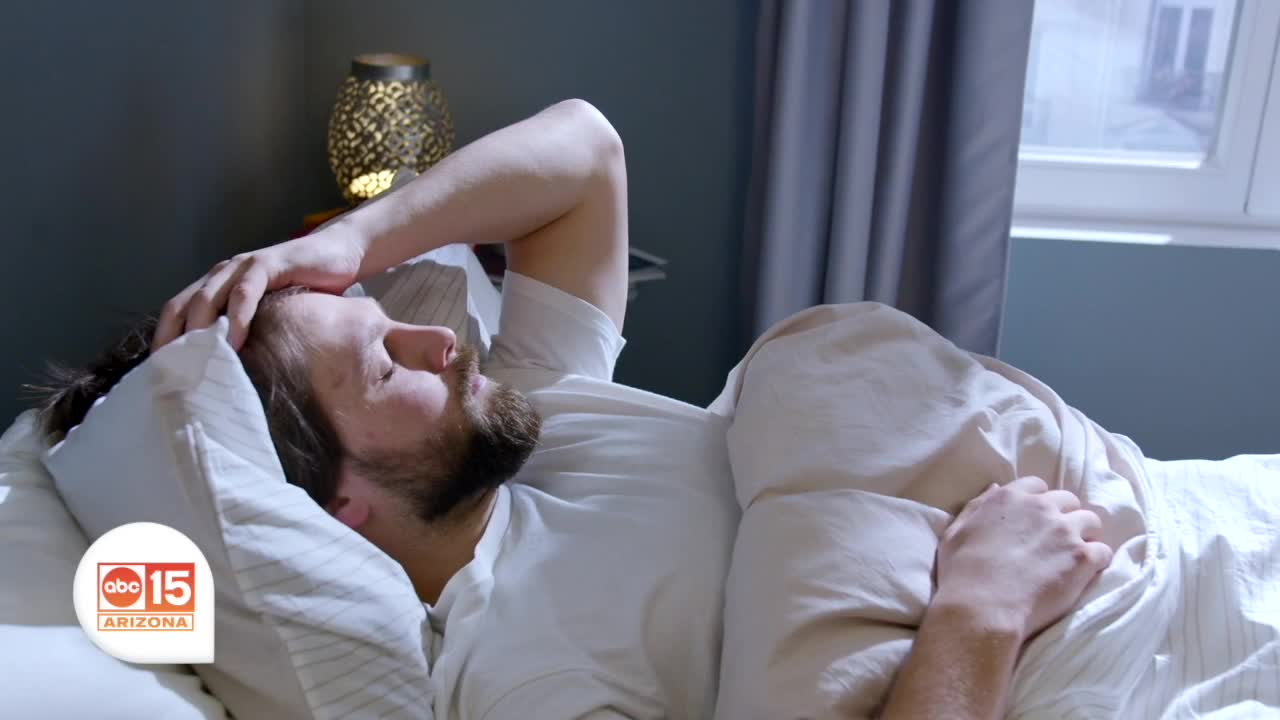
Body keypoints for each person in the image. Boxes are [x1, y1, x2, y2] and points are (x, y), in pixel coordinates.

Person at [39, 100, 1108, 719]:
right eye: (383, 368)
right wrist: (980, 611)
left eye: (386, 318)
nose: (439, 339)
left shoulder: (525, 419)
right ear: (337, 507)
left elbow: (586, 153)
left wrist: (352, 245)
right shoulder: (525, 677)